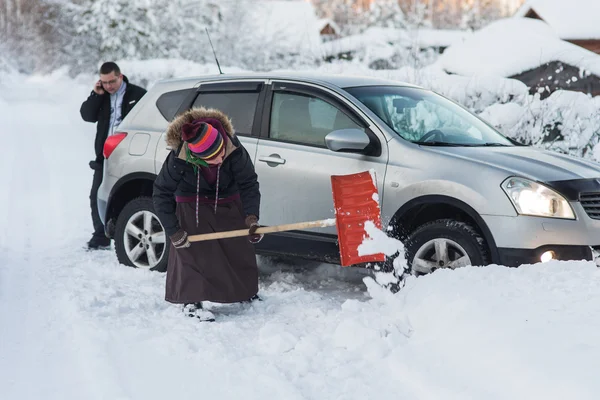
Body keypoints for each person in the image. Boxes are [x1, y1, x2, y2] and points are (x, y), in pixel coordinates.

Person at [153, 107, 262, 322]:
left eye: (221, 152)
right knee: (191, 249)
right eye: (213, 158)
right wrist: (174, 231)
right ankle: (192, 300)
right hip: (190, 201)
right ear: (197, 157)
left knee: (237, 245)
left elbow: (249, 183)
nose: (221, 158)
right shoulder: (180, 157)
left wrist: (251, 218)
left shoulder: (233, 148)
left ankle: (244, 292)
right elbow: (161, 192)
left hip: (228, 198)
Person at [80, 62, 147, 250]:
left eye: (111, 81)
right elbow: (87, 115)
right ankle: (100, 236)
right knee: (96, 195)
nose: (108, 86)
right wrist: (96, 94)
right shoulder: (101, 95)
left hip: (130, 154)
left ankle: (131, 233)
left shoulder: (138, 94)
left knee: (130, 195)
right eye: (104, 82)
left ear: (120, 76)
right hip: (105, 156)